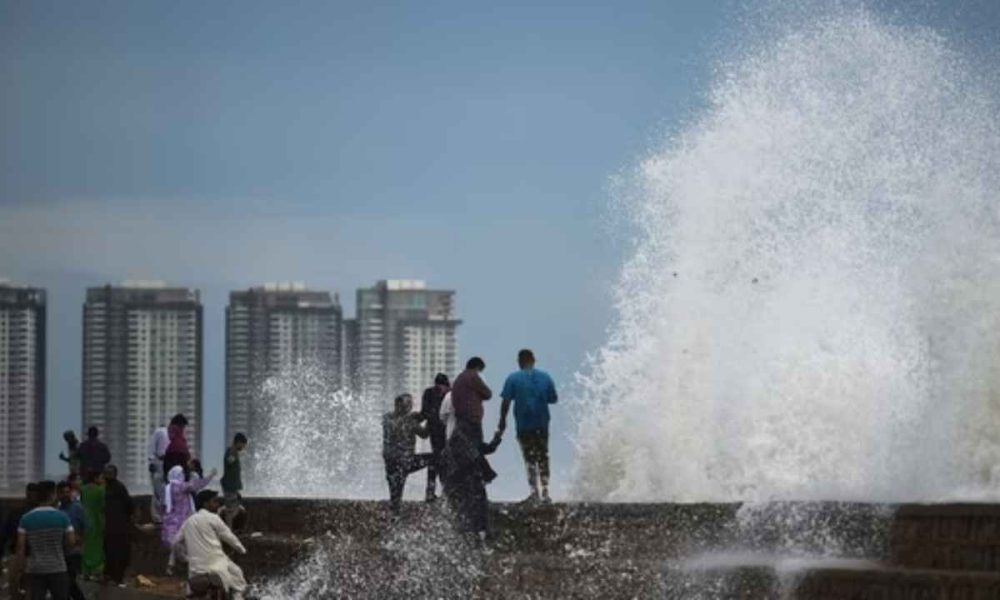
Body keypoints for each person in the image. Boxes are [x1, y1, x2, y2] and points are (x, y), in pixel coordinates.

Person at [499, 349, 558, 504]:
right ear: (533, 360)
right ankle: (545, 492)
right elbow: (553, 399)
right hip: (542, 423)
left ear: (520, 361)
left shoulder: (513, 378)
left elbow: (506, 401)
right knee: (543, 457)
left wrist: (502, 421)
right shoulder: (545, 377)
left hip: (524, 425)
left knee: (530, 459)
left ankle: (534, 493)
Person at [172, 490, 248, 600]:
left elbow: (175, 542)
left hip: (195, 569)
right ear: (205, 504)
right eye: (215, 502)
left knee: (191, 592)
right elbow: (229, 537)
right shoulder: (213, 518)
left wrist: (184, 558)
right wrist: (242, 550)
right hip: (217, 566)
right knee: (238, 577)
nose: (218, 505)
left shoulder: (188, 521)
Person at [16, 480, 76, 600]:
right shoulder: (63, 517)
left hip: (35, 569)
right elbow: (71, 542)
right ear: (53, 495)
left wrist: (21, 569)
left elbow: (20, 547)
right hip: (58, 568)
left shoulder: (26, 518)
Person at [440, 424, 503, 539]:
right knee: (468, 506)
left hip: (469, 482)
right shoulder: (452, 448)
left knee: (479, 502)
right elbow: (447, 470)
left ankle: (481, 530)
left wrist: (497, 437)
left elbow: (489, 448)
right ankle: (471, 531)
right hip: (459, 483)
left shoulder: (471, 444)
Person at [382, 393, 434, 515]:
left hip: (391, 464)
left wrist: (414, 418)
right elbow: (425, 434)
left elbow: (396, 425)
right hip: (406, 462)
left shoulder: (387, 418)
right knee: (433, 459)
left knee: (395, 495)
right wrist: (431, 419)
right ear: (406, 407)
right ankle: (430, 492)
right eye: (409, 405)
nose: (411, 407)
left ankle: (395, 515)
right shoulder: (408, 422)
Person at [162, 464, 216, 573]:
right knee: (180, 544)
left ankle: (171, 566)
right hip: (182, 521)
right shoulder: (180, 487)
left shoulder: (168, 487)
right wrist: (211, 476)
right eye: (181, 474)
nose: (183, 475)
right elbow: (197, 485)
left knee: (176, 544)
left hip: (171, 522)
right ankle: (191, 563)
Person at [2, 483, 39, 600]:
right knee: (30, 586)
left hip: (18, 553)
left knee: (15, 585)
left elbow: (6, 533)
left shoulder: (17, 511)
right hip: (33, 554)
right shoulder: (42, 513)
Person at [419, 373, 450, 502]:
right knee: (442, 462)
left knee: (438, 462)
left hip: (437, 431)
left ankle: (433, 492)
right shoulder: (449, 393)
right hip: (443, 432)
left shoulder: (429, 393)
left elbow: (424, 412)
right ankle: (442, 492)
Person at [103, 465, 134, 586]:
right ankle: (109, 575)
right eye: (106, 473)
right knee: (108, 552)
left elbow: (129, 505)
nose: (108, 475)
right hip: (107, 527)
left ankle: (117, 577)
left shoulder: (120, 488)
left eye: (110, 473)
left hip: (119, 527)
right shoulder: (102, 488)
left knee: (120, 553)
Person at [56, 481, 86, 600]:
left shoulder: (77, 507)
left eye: (68, 492)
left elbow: (85, 528)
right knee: (64, 584)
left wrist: (79, 540)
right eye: (62, 492)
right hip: (60, 552)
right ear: (57, 494)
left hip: (74, 552)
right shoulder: (56, 509)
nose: (66, 495)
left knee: (69, 582)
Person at [451, 357, 492, 439]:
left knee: (464, 446)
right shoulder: (473, 376)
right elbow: (488, 394)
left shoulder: (459, 378)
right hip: (472, 419)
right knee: (477, 447)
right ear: (477, 367)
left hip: (460, 419)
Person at [79, 471, 106, 579]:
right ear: (95, 478)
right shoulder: (100, 490)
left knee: (86, 546)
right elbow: (103, 506)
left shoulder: (83, 489)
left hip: (85, 519)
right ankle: (97, 571)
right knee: (98, 546)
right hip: (97, 520)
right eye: (101, 477)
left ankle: (85, 571)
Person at [220, 433, 248, 527]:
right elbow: (229, 461)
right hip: (229, 486)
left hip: (232, 487)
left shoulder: (233, 452)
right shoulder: (232, 452)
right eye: (243, 445)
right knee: (231, 511)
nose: (243, 447)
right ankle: (227, 529)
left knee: (235, 509)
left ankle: (228, 527)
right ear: (239, 442)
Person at [147, 421, 170, 524]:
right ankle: (159, 516)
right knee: (160, 491)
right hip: (161, 463)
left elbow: (152, 448)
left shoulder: (160, 432)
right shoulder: (161, 432)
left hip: (162, 463)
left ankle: (159, 516)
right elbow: (152, 449)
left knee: (159, 491)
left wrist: (151, 461)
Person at [162, 414, 191, 483]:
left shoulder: (170, 428)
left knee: (168, 472)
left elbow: (169, 439)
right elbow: (183, 442)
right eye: (183, 425)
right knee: (184, 472)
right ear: (181, 423)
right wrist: (188, 454)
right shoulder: (180, 430)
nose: (184, 427)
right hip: (181, 452)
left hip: (172, 452)